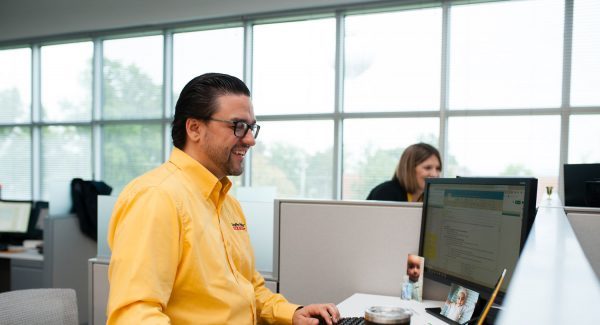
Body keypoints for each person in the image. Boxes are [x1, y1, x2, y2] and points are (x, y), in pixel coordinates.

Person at [107, 73, 340, 325]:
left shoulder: (228, 204)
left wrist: (292, 314)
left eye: (251, 128)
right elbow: (134, 315)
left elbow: (250, 289)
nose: (250, 139)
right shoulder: (156, 197)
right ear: (195, 128)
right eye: (238, 126)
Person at [366, 142, 441, 202]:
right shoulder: (385, 193)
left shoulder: (430, 198)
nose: (435, 174)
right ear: (409, 168)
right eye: (427, 168)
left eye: (438, 168)